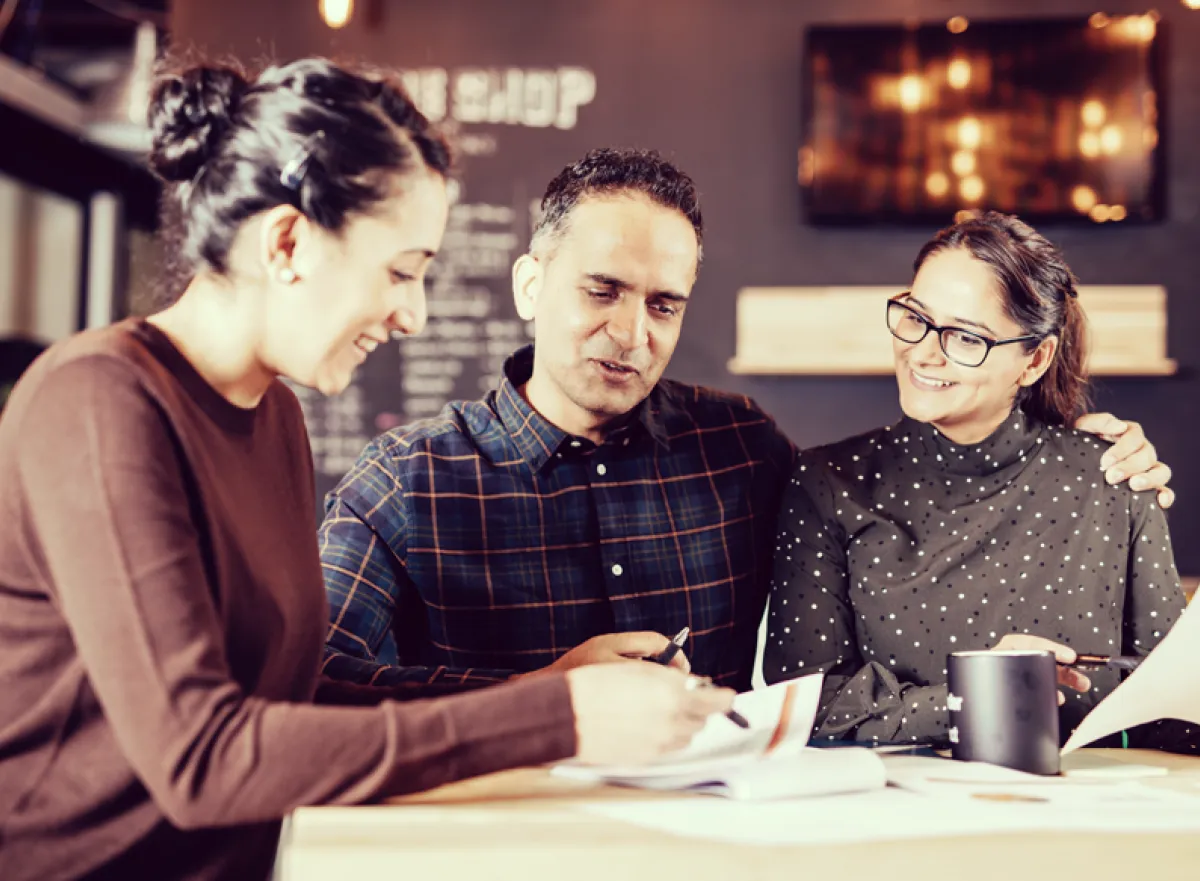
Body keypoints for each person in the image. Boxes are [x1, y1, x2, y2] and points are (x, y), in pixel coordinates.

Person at [0, 60, 733, 881]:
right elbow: (201, 758)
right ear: (287, 242)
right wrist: (556, 715)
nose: (412, 313)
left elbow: (295, 703)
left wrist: (548, 691)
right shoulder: (98, 401)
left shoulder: (272, 414)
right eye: (399, 270)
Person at [318, 149, 1175, 698]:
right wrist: (538, 693)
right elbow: (315, 681)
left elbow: (908, 517)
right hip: (490, 833)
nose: (632, 333)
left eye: (664, 303)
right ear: (529, 286)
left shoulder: (740, 447)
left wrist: (1087, 447)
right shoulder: (406, 480)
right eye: (601, 291)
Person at [763, 211, 1187, 747]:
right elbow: (804, 701)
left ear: (1034, 360)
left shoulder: (1114, 474)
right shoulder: (827, 482)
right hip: (892, 811)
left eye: (966, 337)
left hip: (1083, 808)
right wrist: (978, 694)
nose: (923, 352)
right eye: (916, 317)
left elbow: (1176, 703)